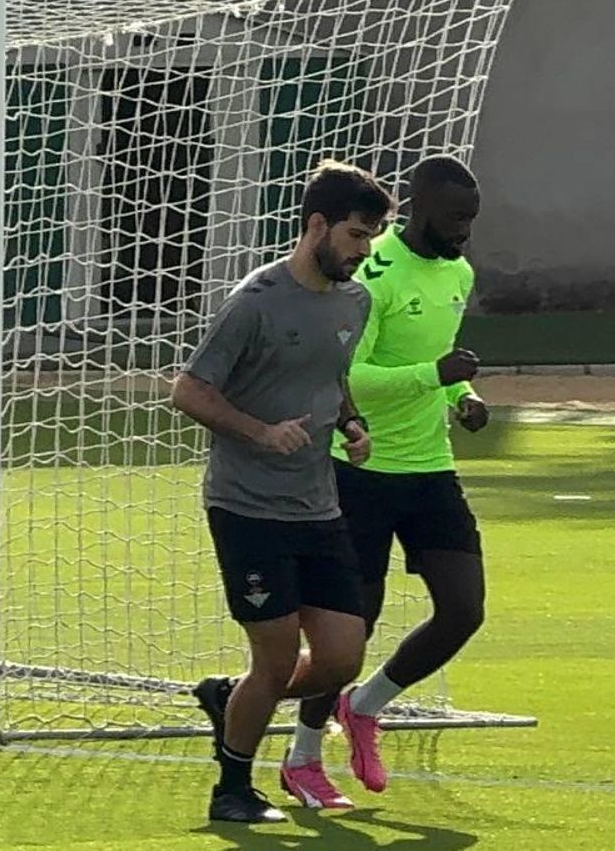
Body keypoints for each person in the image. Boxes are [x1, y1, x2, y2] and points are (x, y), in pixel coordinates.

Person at [176, 159, 393, 822]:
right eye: (356, 237)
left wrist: (351, 422)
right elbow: (188, 390)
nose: (362, 253)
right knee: (272, 661)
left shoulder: (355, 303)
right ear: (317, 226)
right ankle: (232, 790)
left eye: (371, 240)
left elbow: (331, 374)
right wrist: (260, 432)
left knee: (340, 659)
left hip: (316, 504)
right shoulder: (255, 303)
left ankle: (233, 699)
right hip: (248, 507)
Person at [284, 153, 489, 801]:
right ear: (420, 207)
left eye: (471, 221)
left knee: (463, 609)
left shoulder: (459, 271)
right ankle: (304, 754)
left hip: (430, 468)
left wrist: (462, 401)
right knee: (353, 628)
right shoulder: (375, 274)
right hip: (362, 470)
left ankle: (367, 706)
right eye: (455, 218)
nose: (464, 231)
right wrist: (438, 378)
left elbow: (434, 364)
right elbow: (351, 375)